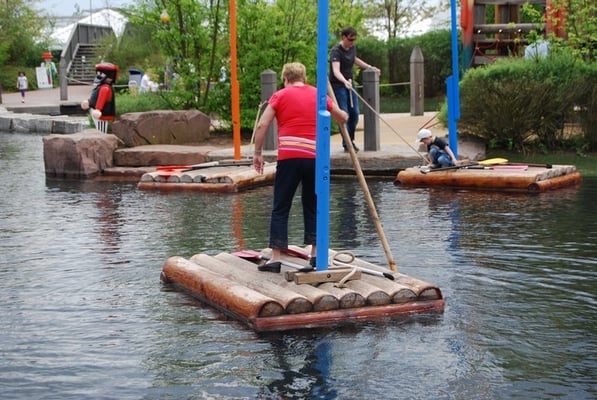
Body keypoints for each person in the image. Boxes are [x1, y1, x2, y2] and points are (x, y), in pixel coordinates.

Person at [253, 62, 348, 272]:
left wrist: (258, 152)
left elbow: (262, 124)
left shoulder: (279, 96)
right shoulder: (319, 95)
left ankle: (275, 257)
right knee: (313, 204)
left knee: (281, 205)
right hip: (315, 157)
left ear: (285, 79)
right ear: (304, 78)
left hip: (289, 157)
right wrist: (344, 115)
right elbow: (341, 117)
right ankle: (315, 254)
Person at [329, 26, 380, 152]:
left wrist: (370, 67)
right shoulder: (336, 51)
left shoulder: (352, 48)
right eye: (350, 39)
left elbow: (355, 59)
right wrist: (344, 81)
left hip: (350, 84)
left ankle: (350, 140)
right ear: (343, 37)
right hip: (339, 86)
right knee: (344, 115)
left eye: (354, 40)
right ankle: (347, 144)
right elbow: (336, 71)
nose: (352, 42)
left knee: (355, 114)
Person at [81, 63, 118, 133]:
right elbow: (95, 97)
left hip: (102, 115)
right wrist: (89, 101)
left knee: (101, 129)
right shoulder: (101, 86)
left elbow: (101, 100)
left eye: (100, 74)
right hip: (98, 113)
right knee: (99, 128)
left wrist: (98, 109)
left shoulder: (105, 88)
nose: (98, 76)